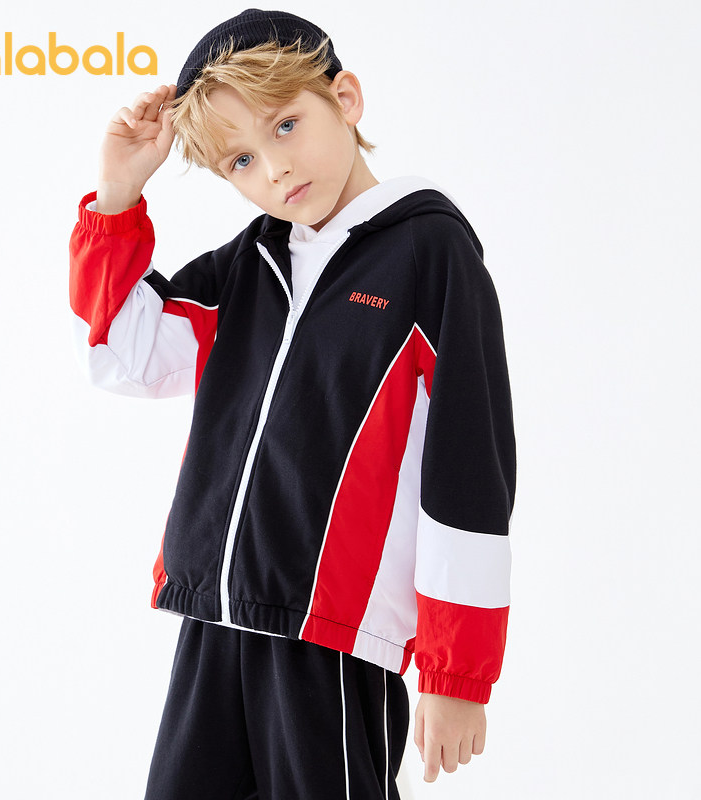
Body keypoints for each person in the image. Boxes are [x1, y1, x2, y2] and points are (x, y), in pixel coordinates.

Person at [69, 8, 517, 799]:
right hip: (216, 618)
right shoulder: (252, 263)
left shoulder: (430, 254)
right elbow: (122, 357)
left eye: (285, 125)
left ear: (345, 98)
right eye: (241, 159)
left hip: (332, 641)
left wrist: (458, 672)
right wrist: (117, 195)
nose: (274, 170)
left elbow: (470, 468)